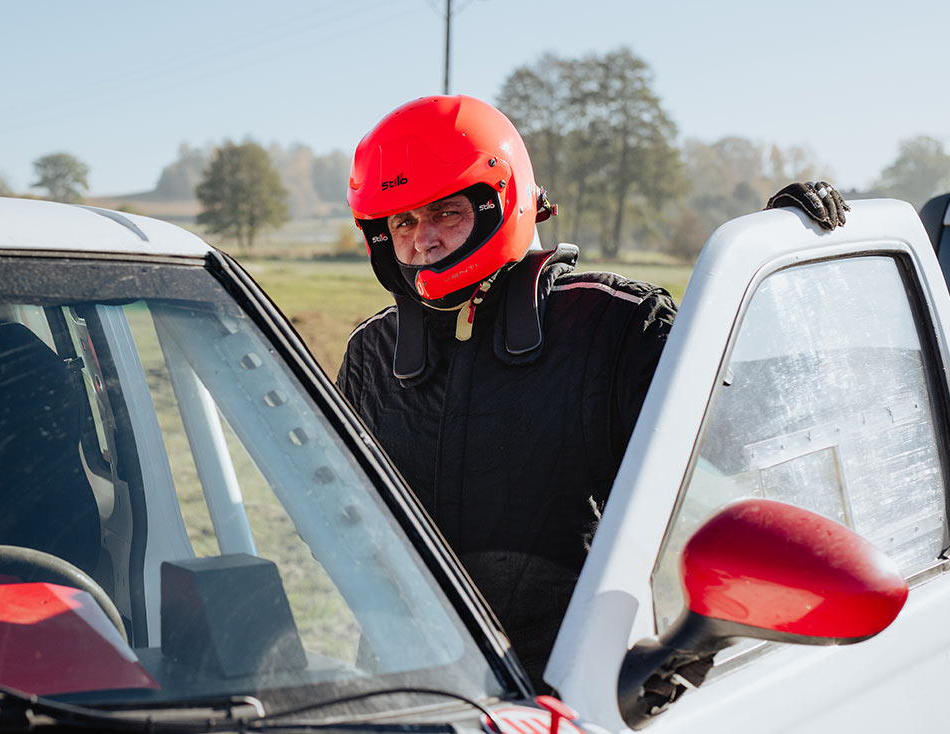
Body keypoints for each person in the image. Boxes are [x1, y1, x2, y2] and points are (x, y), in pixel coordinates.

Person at [335, 94, 848, 690]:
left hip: (586, 688)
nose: (423, 240)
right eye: (402, 221)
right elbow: (337, 518)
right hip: (410, 691)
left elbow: (744, 445)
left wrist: (780, 270)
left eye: (446, 212)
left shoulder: (615, 322)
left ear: (501, 201)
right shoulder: (371, 354)